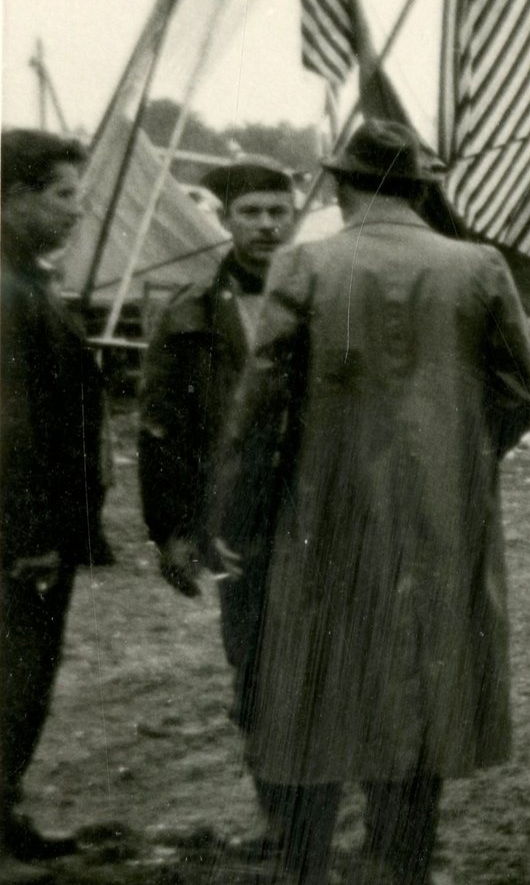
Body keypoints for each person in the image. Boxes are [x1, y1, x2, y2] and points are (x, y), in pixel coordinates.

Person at [209, 121, 530, 885]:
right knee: (423, 673)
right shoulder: (479, 265)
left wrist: (239, 515)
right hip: (444, 515)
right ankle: (402, 863)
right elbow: (522, 393)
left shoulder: (307, 265)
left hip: (322, 511)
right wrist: (460, 456)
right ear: (422, 185)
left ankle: (307, 866)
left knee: (319, 677)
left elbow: (261, 405)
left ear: (339, 184)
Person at [137, 156, 298, 859]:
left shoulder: (326, 300)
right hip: (240, 528)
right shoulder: (192, 312)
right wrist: (171, 530)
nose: (266, 225)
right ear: (225, 220)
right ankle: (283, 817)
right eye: (250, 213)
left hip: (322, 518)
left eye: (276, 210)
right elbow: (162, 429)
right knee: (257, 669)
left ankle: (325, 812)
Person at [1, 130, 112, 881]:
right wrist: (32, 532)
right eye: (64, 194)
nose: (80, 209)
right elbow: (10, 426)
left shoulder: (24, 280)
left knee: (23, 678)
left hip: (33, 527)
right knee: (14, 675)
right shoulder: (9, 292)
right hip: (20, 535)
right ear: (14, 197)